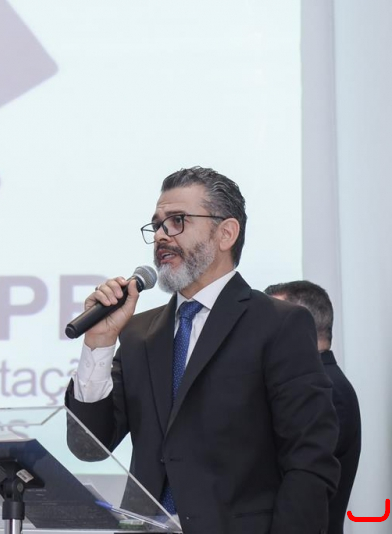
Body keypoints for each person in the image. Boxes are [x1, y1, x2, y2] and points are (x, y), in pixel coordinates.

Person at [65, 166, 339, 534]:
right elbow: (88, 446)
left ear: (226, 233)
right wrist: (98, 343)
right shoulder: (138, 333)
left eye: (177, 221)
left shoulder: (278, 324)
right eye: (157, 225)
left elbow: (309, 459)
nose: (161, 236)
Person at [265, 281, 361, 534]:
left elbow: (305, 477)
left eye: (275, 320)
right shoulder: (325, 382)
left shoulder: (328, 389)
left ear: (301, 324)